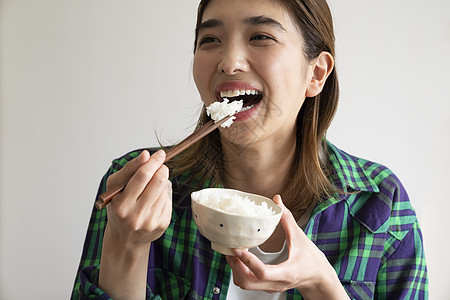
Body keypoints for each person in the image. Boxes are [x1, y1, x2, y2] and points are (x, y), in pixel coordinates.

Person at [71, 0, 428, 299]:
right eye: (210, 39)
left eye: (260, 36)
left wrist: (321, 282)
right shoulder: (133, 188)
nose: (229, 62)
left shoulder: (380, 204)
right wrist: (126, 245)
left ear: (316, 74)